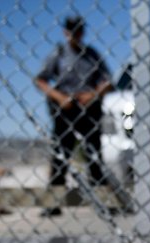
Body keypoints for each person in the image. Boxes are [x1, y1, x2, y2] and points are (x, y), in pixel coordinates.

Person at [34, 16, 114, 216]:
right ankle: (53, 202)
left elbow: (108, 81)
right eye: (71, 30)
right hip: (65, 110)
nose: (75, 35)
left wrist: (93, 95)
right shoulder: (58, 54)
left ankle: (102, 202)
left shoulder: (92, 55)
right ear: (65, 32)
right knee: (60, 157)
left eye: (78, 30)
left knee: (94, 156)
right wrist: (59, 97)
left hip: (89, 109)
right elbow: (40, 80)